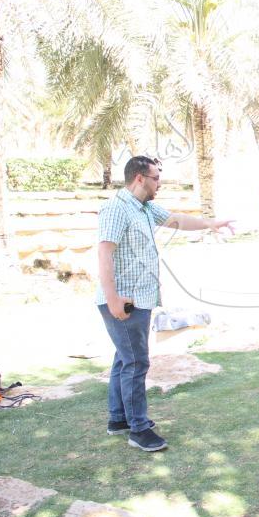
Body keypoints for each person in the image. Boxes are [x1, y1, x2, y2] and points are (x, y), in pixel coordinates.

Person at [97, 156, 234, 452]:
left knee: (124, 358)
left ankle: (118, 418)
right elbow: (104, 253)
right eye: (156, 178)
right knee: (136, 362)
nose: (159, 183)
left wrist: (211, 223)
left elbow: (177, 220)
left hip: (140, 299)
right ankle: (138, 429)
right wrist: (113, 299)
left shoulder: (145, 207)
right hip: (125, 300)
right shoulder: (116, 208)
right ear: (139, 178)